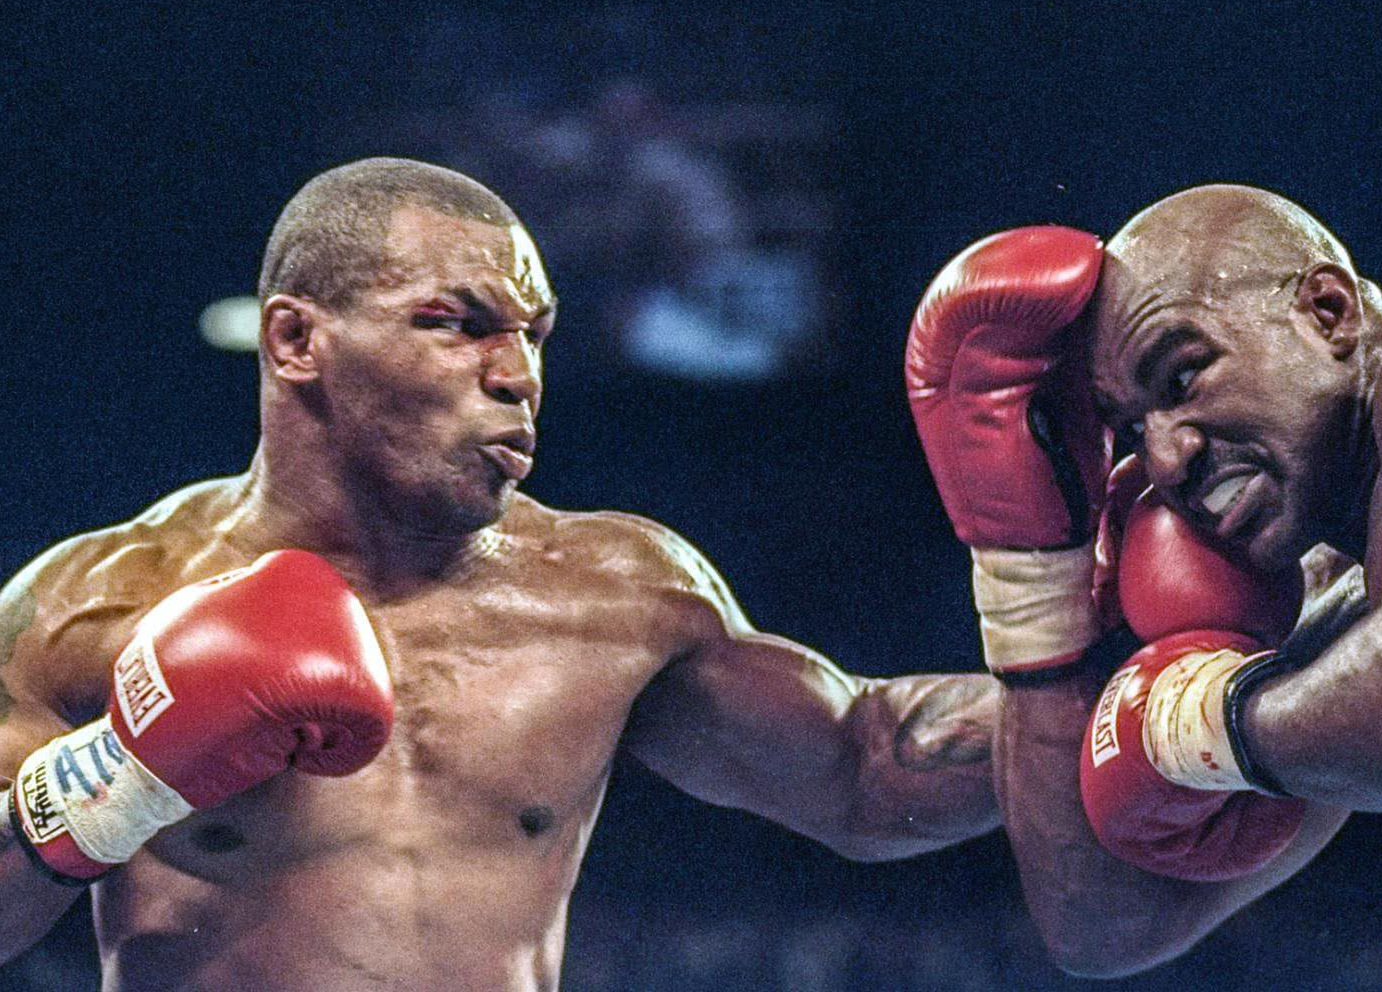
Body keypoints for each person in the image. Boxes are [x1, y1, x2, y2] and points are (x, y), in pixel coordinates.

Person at [0, 157, 999, 991]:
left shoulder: (615, 594)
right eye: (458, 321)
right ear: (297, 340)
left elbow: (865, 763)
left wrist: (1076, 655)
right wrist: (117, 776)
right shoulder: (98, 602)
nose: (518, 374)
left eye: (533, 334)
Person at [907, 186, 1382, 992]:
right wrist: (1032, 586)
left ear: (1327, 312)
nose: (1165, 458)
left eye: (1183, 375)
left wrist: (1197, 723)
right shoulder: (1344, 600)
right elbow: (1106, 926)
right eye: (1131, 430)